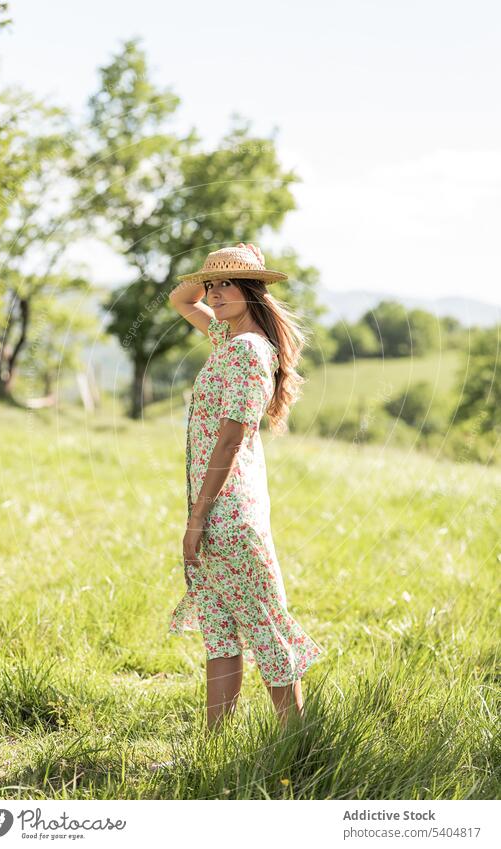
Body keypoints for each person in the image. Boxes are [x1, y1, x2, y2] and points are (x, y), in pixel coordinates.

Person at [168, 242, 322, 732]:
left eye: (225, 284)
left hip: (229, 514)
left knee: (267, 628)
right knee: (221, 632)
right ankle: (214, 748)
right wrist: (216, 270)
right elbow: (180, 299)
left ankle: (298, 748)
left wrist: (197, 519)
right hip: (216, 510)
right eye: (210, 284)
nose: (212, 293)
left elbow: (231, 439)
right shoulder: (228, 339)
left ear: (251, 291)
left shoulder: (249, 350)